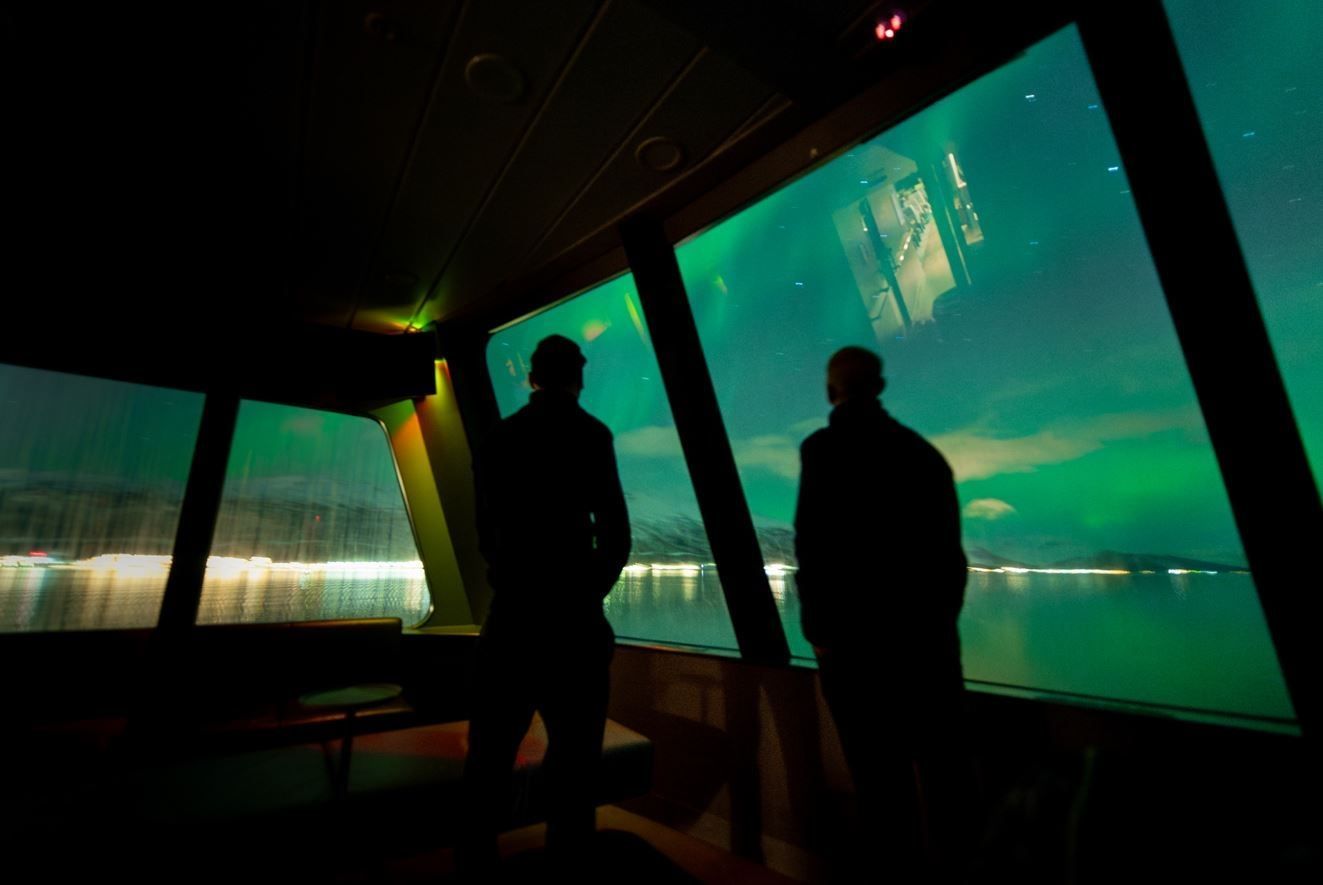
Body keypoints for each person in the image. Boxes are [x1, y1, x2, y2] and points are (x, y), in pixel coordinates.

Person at [794, 346, 968, 880]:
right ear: (882, 386)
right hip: (927, 649)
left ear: (831, 392)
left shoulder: (823, 450)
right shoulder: (924, 454)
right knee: (948, 789)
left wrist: (820, 634)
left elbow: (814, 546)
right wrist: (937, 627)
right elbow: (950, 560)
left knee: (880, 788)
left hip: (855, 653)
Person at [460, 334, 631, 876]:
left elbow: (486, 532)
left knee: (487, 761)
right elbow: (617, 536)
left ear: (532, 377)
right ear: (578, 377)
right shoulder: (593, 436)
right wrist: (585, 593)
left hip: (512, 623)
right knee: (576, 770)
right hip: (575, 629)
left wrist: (512, 580)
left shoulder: (499, 439)